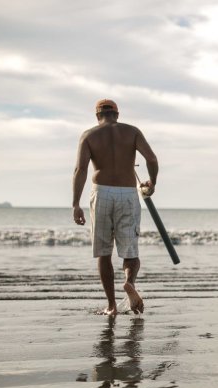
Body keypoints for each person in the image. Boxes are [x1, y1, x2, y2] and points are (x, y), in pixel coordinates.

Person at [72, 99, 158, 315]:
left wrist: (76, 204)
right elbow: (151, 159)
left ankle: (111, 306)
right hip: (127, 193)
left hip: (101, 192)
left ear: (97, 116)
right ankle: (129, 282)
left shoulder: (89, 135)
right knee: (130, 250)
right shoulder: (132, 132)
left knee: (104, 253)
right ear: (117, 115)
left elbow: (80, 170)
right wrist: (152, 182)